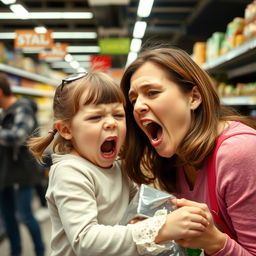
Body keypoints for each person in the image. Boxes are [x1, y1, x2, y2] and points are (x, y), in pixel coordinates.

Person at [28, 70, 209, 256]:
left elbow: (137, 210)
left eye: (118, 115)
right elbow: (86, 241)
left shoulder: (117, 166)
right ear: (66, 129)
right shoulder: (70, 172)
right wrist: (160, 228)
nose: (110, 123)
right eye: (95, 117)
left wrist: (172, 210)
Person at [120, 47, 256, 256]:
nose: (137, 106)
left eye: (152, 92)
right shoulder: (178, 156)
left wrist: (215, 242)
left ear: (193, 97)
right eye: (133, 99)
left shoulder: (239, 152)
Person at [0, 72, 45, 256]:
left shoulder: (22, 108)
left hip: (21, 173)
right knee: (9, 218)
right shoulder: (5, 112)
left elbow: (18, 137)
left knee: (26, 216)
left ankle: (40, 252)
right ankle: (15, 252)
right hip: (5, 173)